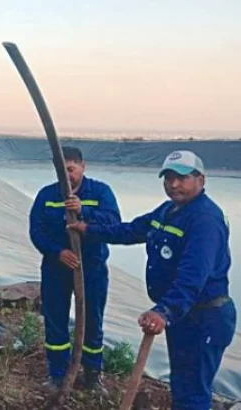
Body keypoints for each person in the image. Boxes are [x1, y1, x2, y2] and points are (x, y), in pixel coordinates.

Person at [67, 150, 236, 409]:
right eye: (168, 178)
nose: (174, 184)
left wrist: (164, 311)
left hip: (205, 317)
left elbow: (193, 276)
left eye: (182, 178)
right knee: (181, 384)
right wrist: (90, 229)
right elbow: (131, 230)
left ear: (201, 179)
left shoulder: (205, 219)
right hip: (184, 315)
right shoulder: (170, 210)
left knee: (193, 391)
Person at [28, 146, 121, 393]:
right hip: (56, 269)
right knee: (55, 319)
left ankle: (92, 375)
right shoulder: (47, 195)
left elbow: (113, 224)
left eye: (71, 169)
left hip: (91, 268)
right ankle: (57, 374)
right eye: (61, 170)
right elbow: (36, 231)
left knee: (93, 320)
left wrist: (83, 211)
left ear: (82, 167)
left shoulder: (100, 192)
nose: (67, 175)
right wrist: (58, 252)